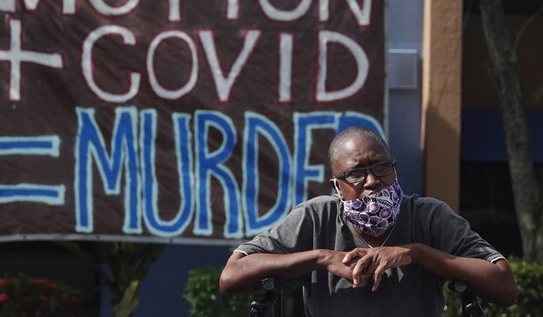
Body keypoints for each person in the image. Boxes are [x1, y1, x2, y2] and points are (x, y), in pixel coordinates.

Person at [219, 126, 517, 317]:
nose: (372, 181)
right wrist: (322, 258)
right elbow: (231, 277)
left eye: (381, 167)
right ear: (337, 186)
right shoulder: (316, 216)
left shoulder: (429, 216)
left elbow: (504, 288)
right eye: (357, 173)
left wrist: (416, 253)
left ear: (395, 170)